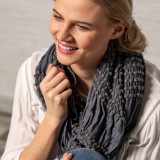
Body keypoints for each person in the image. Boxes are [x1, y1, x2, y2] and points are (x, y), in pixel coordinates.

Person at [1, 0, 160, 159]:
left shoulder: (154, 102)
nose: (62, 35)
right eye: (58, 17)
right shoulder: (33, 69)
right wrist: (52, 118)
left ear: (116, 30)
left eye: (82, 27)